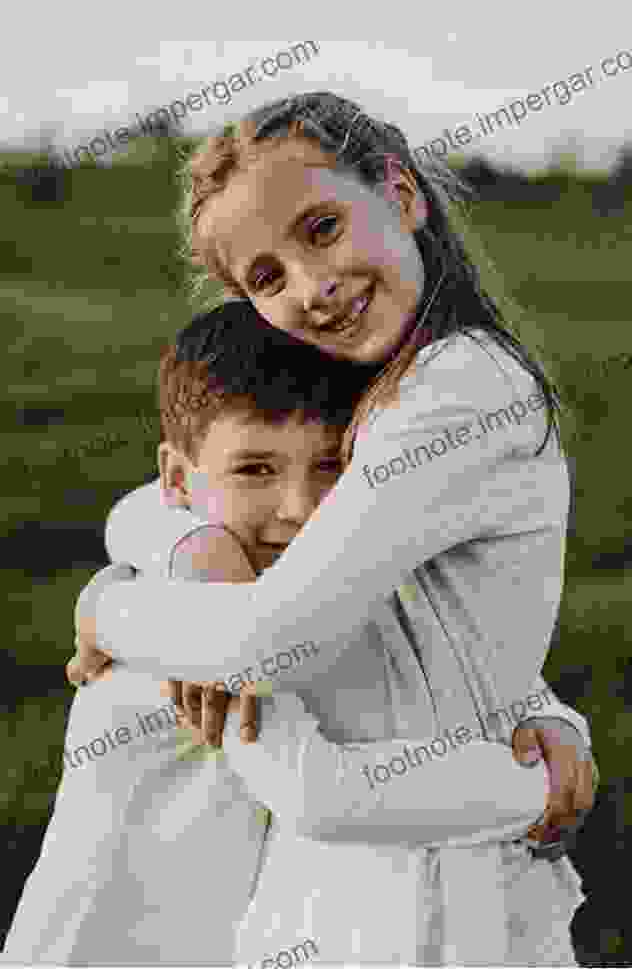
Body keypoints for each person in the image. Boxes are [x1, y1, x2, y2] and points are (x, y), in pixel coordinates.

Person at [68, 91, 596, 963]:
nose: (312, 287)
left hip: (438, 910)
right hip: (336, 896)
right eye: (267, 278)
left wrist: (108, 615)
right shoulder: (371, 384)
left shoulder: (458, 390)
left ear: (400, 194)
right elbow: (175, 500)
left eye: (321, 228)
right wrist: (191, 551)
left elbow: (269, 647)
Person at [3, 302, 589, 966]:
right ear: (175, 479)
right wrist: (536, 788)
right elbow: (322, 793)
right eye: (255, 470)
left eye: (333, 467)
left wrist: (549, 717)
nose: (301, 509)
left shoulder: (299, 600)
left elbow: (426, 661)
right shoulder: (181, 629)